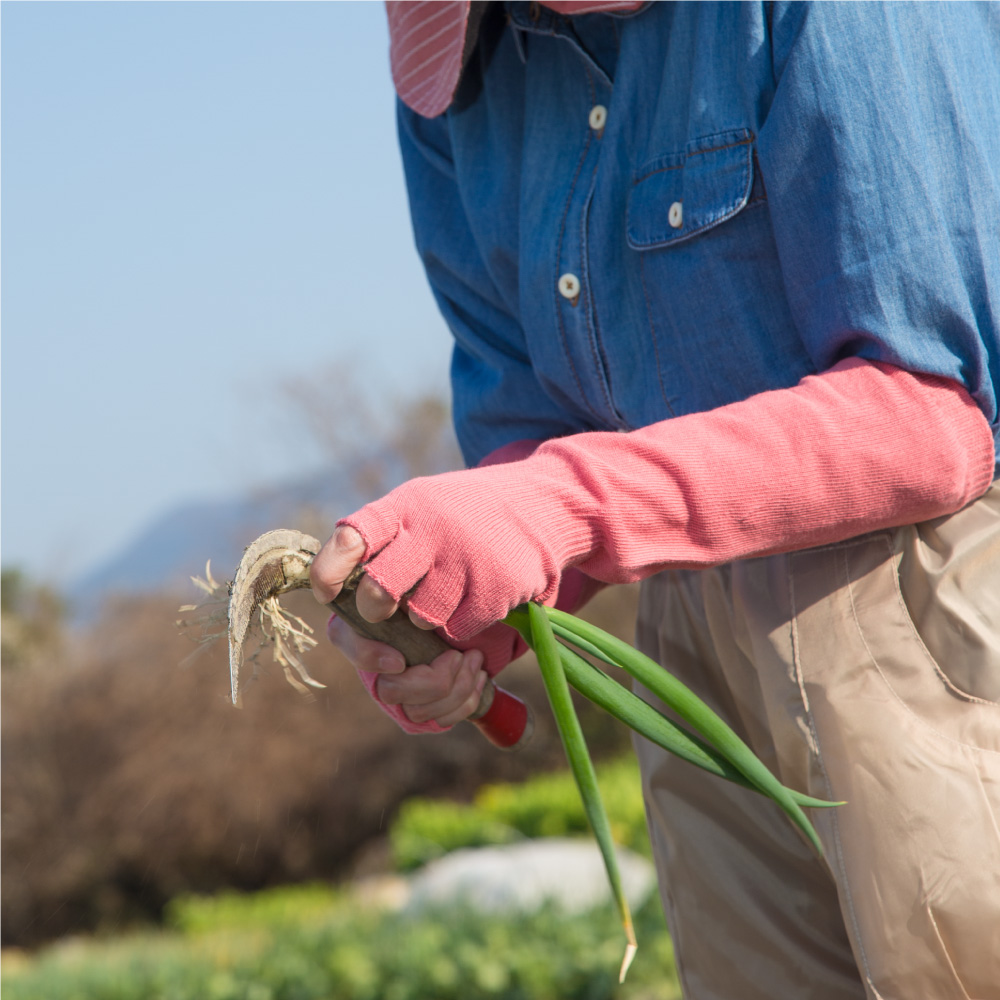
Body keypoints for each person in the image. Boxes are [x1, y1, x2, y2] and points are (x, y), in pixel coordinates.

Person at [311, 3, 1000, 997]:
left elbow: (933, 415)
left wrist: (560, 507)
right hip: (679, 631)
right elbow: (529, 432)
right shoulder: (452, 77)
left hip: (921, 595)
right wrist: (466, 599)